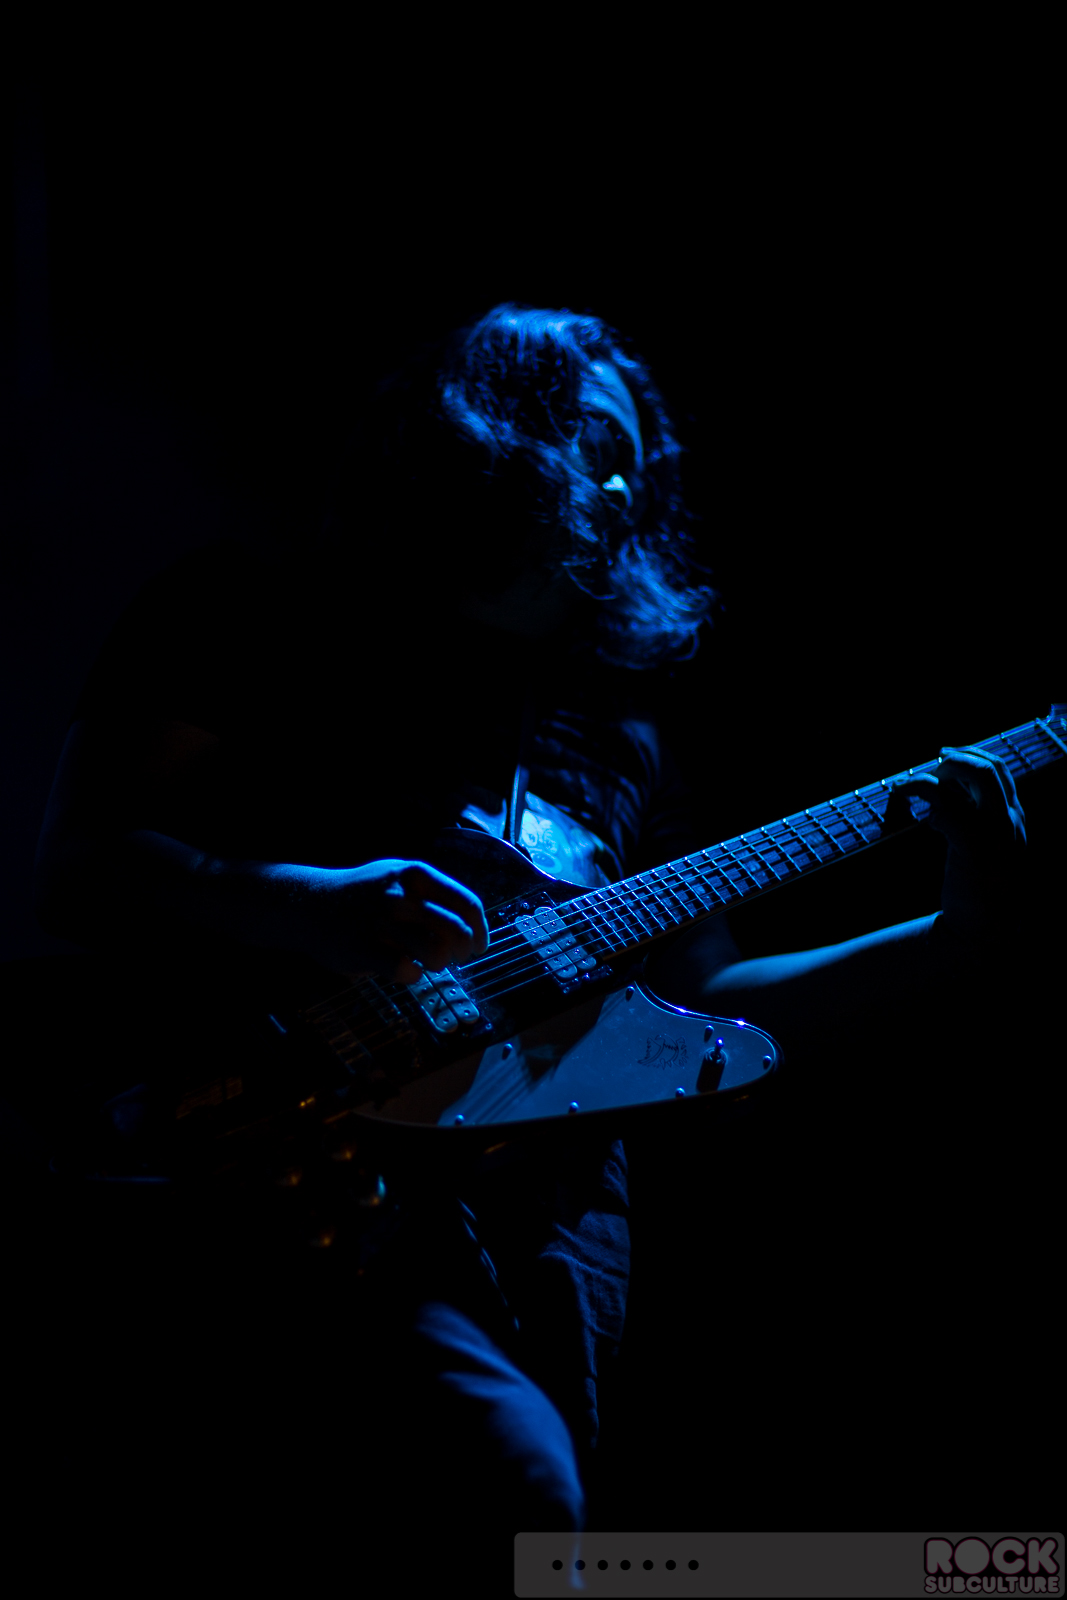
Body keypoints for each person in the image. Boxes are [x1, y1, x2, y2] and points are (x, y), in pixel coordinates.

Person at [32, 303, 1027, 1584]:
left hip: (551, 1221)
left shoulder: (625, 734)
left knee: (525, 1536)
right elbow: (83, 866)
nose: (621, 491)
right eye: (593, 446)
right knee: (497, 1482)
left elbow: (708, 996)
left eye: (637, 471)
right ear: (484, 428)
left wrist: (950, 930)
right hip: (276, 1142)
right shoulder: (252, 609)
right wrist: (300, 903)